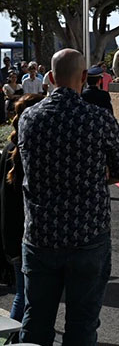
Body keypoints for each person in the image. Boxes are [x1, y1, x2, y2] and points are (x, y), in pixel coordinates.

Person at [17, 48, 119, 345]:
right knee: (82, 324)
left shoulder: (29, 118)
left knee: (36, 320)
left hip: (41, 232)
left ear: (51, 78)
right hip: (87, 231)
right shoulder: (97, 118)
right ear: (84, 77)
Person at [1, 94, 44, 323]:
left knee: (23, 291)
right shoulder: (30, 151)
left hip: (10, 229)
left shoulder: (10, 148)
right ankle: (16, 337)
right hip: (26, 232)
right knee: (26, 294)